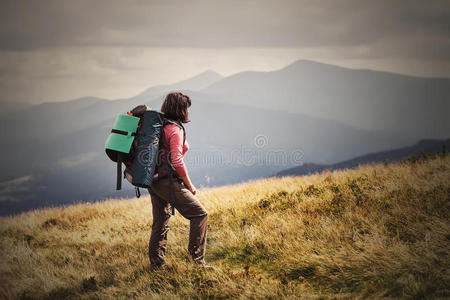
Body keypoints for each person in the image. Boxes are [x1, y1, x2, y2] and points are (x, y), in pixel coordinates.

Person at [147, 92, 210, 270]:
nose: (188, 111)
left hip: (153, 180)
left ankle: (156, 265)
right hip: (167, 180)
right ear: (181, 109)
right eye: (186, 108)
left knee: (160, 221)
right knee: (200, 214)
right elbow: (176, 160)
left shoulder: (163, 126)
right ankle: (197, 262)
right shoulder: (174, 129)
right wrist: (190, 186)